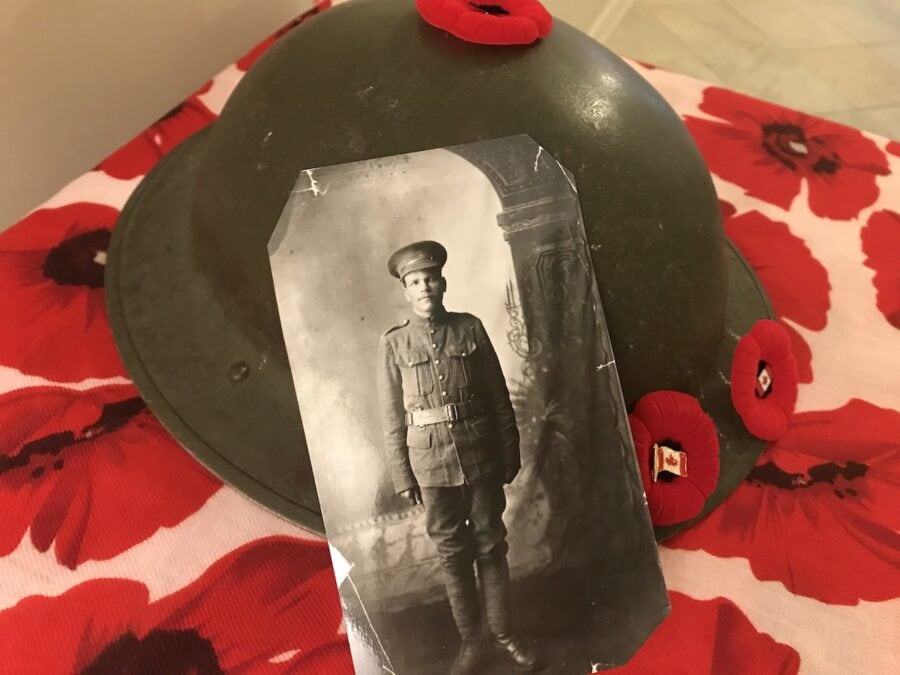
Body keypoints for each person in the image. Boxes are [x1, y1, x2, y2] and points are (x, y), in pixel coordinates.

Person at [376, 241, 541, 674]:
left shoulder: (470, 328)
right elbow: (392, 415)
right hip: (428, 464)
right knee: (452, 553)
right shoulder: (394, 344)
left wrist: (510, 450)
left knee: (490, 544)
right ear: (406, 292)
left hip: (479, 453)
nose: (424, 286)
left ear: (442, 283)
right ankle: (473, 644)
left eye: (430, 278)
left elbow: (498, 397)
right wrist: (403, 475)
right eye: (415, 281)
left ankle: (505, 636)